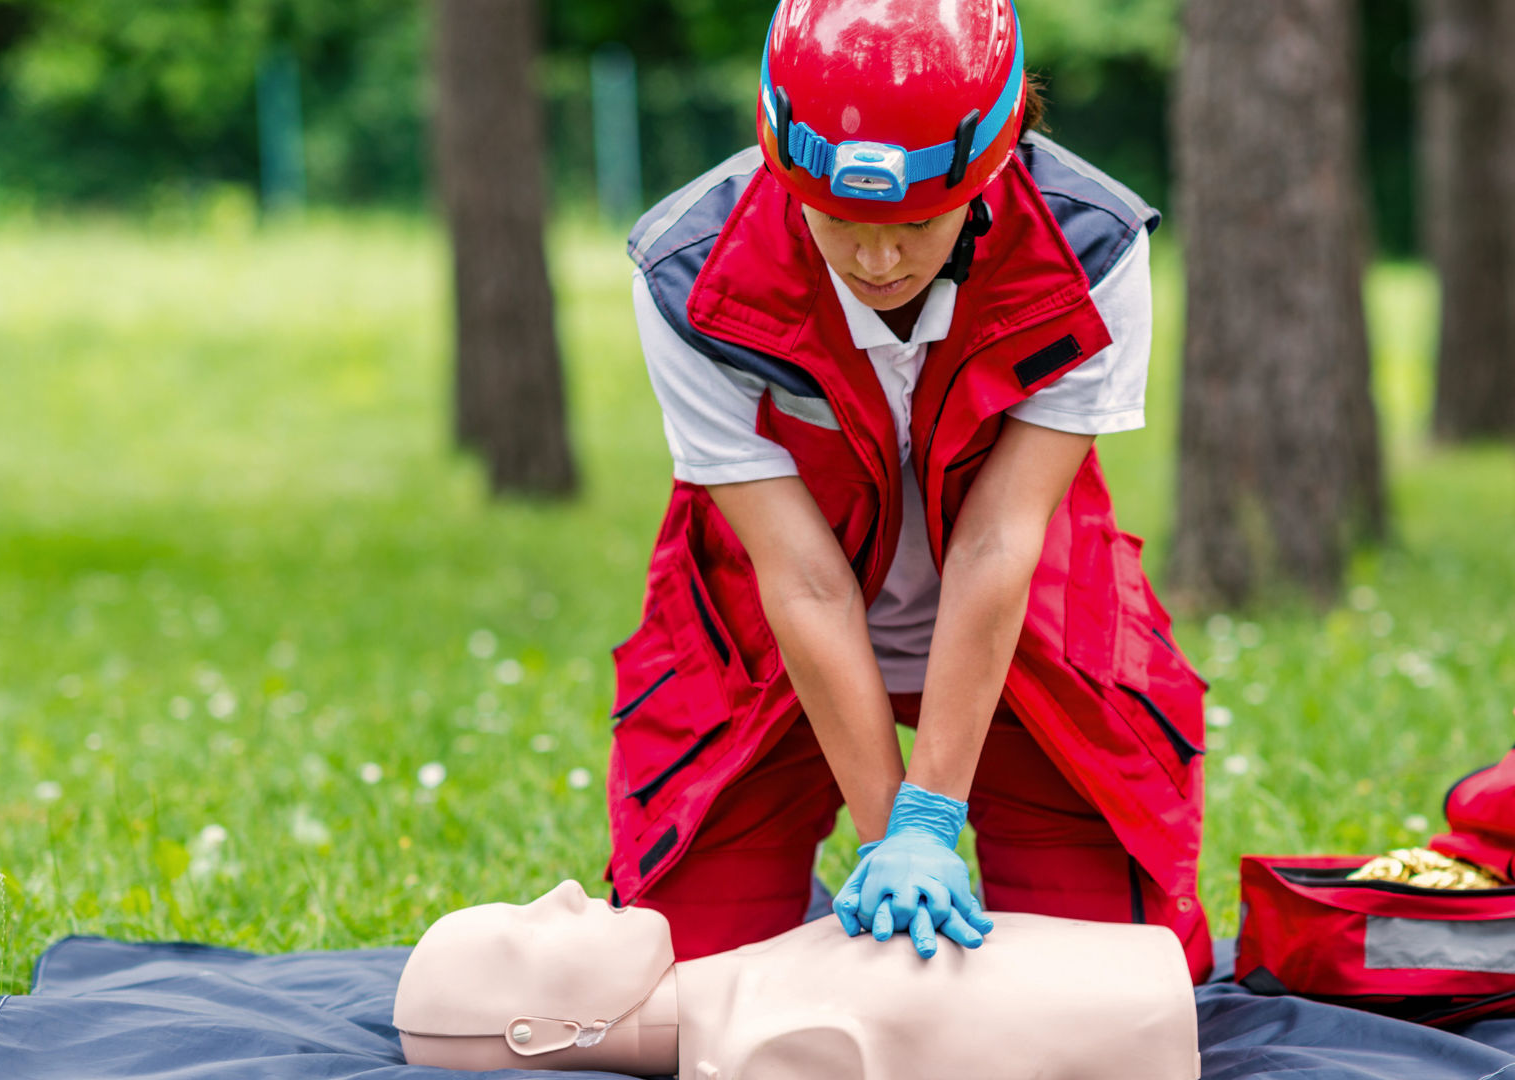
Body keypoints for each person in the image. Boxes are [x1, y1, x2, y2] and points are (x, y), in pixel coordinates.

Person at [609, 0, 1212, 981]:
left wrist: (929, 822)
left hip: (1027, 633)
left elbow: (998, 543)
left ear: (992, 165)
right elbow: (798, 578)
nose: (878, 260)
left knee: (1122, 986)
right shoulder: (688, 276)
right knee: (683, 985)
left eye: (915, 225)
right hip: (763, 646)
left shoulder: (1093, 249)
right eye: (841, 222)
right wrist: (887, 832)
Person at [392, 880, 1201, 1079]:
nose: (563, 893)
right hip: (1151, 1020)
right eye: (527, 931)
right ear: (536, 1035)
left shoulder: (741, 993)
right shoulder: (773, 1043)